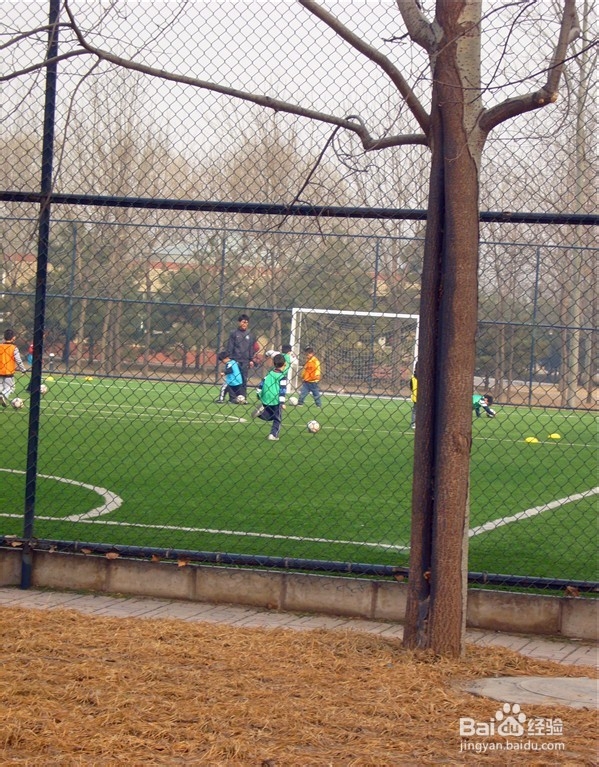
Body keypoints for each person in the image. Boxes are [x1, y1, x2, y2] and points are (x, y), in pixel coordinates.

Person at [252, 352, 286, 441]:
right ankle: (273, 435)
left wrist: (258, 394)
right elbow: (282, 390)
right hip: (275, 399)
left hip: (266, 397)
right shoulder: (282, 376)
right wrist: (282, 402)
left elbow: (261, 384)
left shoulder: (269, 374)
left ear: (274, 364)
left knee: (270, 415)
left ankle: (260, 413)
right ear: (284, 364)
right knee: (277, 418)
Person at [224, 314, 256, 399]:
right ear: (239, 322)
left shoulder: (250, 334)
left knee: (243, 380)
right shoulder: (233, 333)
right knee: (234, 379)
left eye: (246, 322)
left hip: (245, 361)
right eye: (243, 322)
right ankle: (233, 397)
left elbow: (251, 348)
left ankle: (242, 397)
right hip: (235, 360)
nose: (244, 324)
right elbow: (230, 346)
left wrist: (251, 359)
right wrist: (229, 358)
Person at [0, 328, 27, 407]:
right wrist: (23, 370)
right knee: (11, 388)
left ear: (4, 337)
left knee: (1, 387)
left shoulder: (0, 346)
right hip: (8, 371)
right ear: (13, 338)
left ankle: (2, 396)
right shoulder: (14, 348)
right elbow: (18, 359)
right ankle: (3, 395)